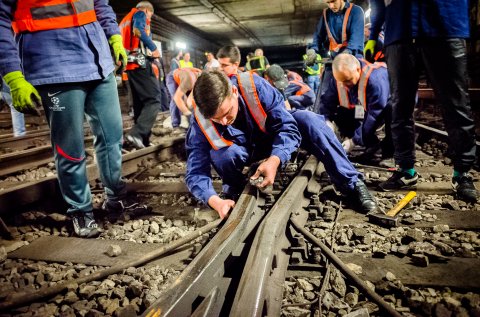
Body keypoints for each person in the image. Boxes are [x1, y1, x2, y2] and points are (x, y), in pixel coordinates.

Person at [0, 0, 147, 238]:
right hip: (52, 66)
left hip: (98, 60)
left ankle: (116, 199)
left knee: (112, 136)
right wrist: (13, 75)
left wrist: (113, 36)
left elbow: (100, 3)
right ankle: (80, 211)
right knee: (70, 148)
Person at [185, 70, 377, 219]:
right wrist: (215, 201)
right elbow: (195, 171)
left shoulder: (253, 87)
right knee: (223, 154)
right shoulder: (200, 121)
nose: (225, 121)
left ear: (233, 92)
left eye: (228, 113)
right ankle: (233, 192)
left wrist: (275, 160)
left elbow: (287, 127)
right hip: (243, 150)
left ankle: (352, 184)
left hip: (271, 137)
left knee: (310, 120)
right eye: (217, 120)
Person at [368, 0, 478, 203]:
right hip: (400, 31)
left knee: (456, 105)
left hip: (445, 25)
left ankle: (462, 173)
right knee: (399, 106)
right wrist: (374, 35)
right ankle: (405, 170)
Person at [320, 54, 392, 160]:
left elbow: (374, 115)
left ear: (358, 70)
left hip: (391, 102)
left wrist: (354, 140)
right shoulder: (339, 78)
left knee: (394, 114)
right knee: (342, 114)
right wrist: (326, 121)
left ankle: (391, 154)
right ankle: (372, 145)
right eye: (341, 81)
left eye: (348, 80)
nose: (344, 85)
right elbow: (326, 102)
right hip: (367, 107)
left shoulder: (374, 79)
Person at [120, 1, 163, 149]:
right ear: (147, 10)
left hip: (130, 66)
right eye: (150, 15)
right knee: (154, 100)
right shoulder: (139, 14)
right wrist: (153, 47)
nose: (149, 19)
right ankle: (137, 134)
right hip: (141, 63)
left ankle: (142, 139)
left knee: (140, 103)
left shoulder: (125, 19)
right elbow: (138, 30)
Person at [309, 0, 364, 112]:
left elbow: (356, 40)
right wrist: (313, 49)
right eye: (328, 3)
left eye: (333, 1)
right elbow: (318, 36)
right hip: (334, 62)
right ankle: (325, 121)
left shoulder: (356, 12)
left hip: (352, 60)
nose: (331, 6)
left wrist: (345, 56)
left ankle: (358, 124)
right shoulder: (326, 14)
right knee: (324, 96)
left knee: (355, 99)